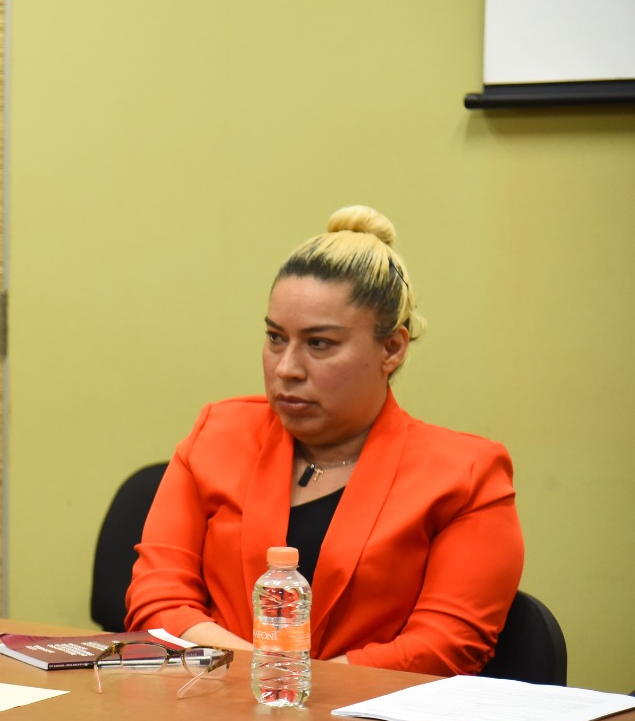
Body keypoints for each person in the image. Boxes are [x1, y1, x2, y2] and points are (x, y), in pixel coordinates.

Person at [123, 205, 523, 677]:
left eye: (319, 344)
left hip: (368, 718)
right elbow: (157, 599)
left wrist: (295, 686)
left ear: (392, 348)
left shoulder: (467, 474)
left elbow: (444, 647)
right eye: (276, 338)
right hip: (215, 704)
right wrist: (266, 678)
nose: (287, 367)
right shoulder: (217, 434)